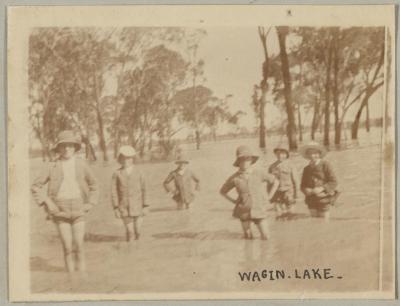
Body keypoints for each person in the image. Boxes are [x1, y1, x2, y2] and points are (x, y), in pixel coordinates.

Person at [31, 130, 98, 273]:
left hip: (79, 208)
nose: (67, 149)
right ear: (58, 148)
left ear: (75, 148)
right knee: (67, 248)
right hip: (59, 210)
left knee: (79, 246)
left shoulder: (82, 164)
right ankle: (70, 277)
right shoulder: (51, 166)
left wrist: (90, 203)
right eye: (64, 146)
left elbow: (94, 185)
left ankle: (81, 282)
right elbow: (36, 186)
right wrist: (48, 202)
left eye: (70, 145)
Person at [220, 145, 279, 240]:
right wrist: (234, 201)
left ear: (251, 160)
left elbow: (275, 182)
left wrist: (269, 197)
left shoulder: (259, 173)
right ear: (238, 162)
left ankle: (265, 254)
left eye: (247, 159)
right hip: (243, 210)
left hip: (259, 208)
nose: (245, 162)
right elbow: (222, 192)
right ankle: (249, 253)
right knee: (248, 236)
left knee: (266, 236)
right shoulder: (235, 178)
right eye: (242, 159)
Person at [111, 145, 149, 241]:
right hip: (124, 208)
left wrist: (146, 206)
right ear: (120, 159)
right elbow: (113, 191)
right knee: (130, 232)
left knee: (138, 231)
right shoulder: (117, 173)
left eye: (128, 158)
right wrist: (115, 208)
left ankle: (136, 252)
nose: (126, 161)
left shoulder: (140, 172)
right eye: (123, 158)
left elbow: (145, 189)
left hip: (138, 206)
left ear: (133, 159)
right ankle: (130, 247)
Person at [300, 141, 339, 221]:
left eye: (315, 153)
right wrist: (306, 190)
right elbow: (302, 185)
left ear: (319, 154)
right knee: (314, 220)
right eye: (310, 153)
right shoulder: (306, 169)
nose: (312, 155)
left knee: (324, 221)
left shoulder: (325, 165)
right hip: (310, 199)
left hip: (323, 198)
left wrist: (321, 188)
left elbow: (334, 181)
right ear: (307, 155)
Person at [268, 144, 298, 220]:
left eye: (282, 154)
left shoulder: (291, 165)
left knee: (290, 214)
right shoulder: (272, 167)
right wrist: (269, 195)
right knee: (279, 214)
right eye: (278, 153)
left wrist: (296, 194)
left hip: (288, 192)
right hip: (277, 192)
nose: (280, 156)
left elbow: (296, 180)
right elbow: (269, 182)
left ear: (286, 154)